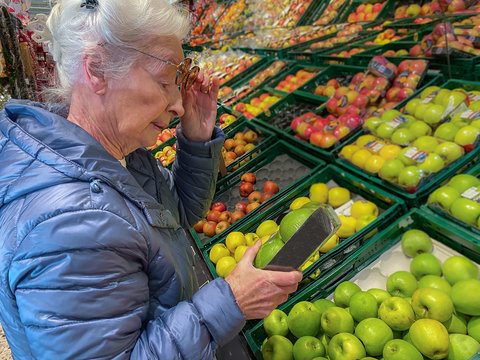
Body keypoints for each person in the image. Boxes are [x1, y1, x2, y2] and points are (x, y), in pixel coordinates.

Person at [0, 0, 303, 359]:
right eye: (164, 81)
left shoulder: (113, 157)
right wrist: (229, 302)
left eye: (179, 83)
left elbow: (178, 215)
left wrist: (197, 138)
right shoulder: (73, 225)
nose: (177, 104)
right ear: (96, 69)